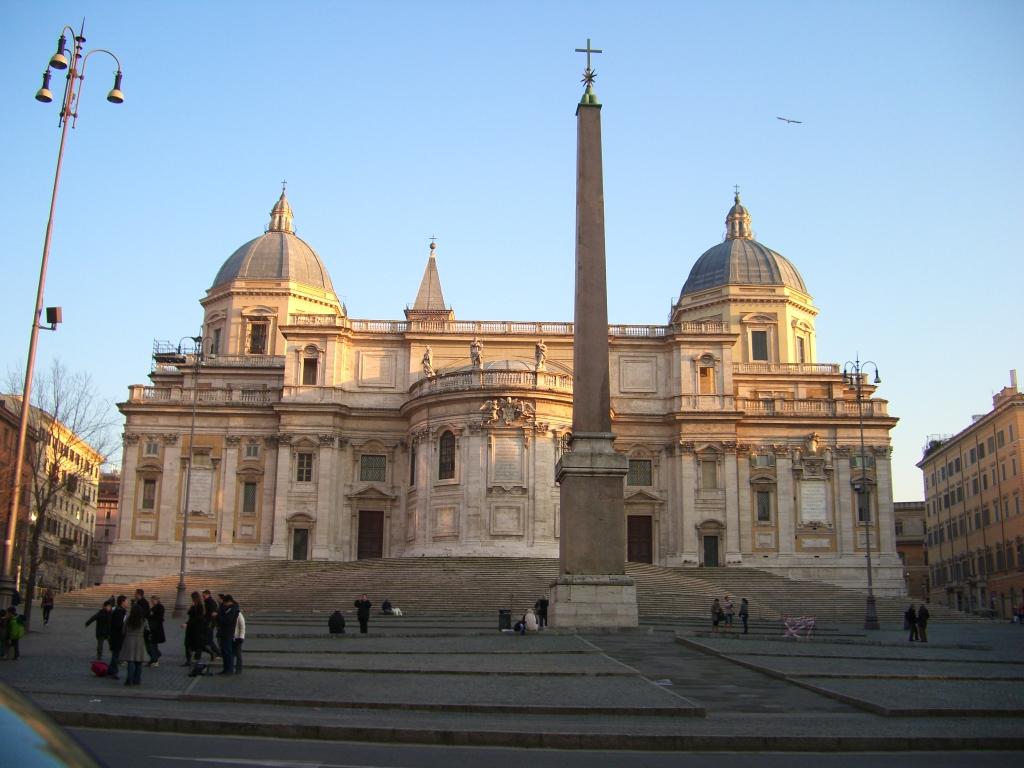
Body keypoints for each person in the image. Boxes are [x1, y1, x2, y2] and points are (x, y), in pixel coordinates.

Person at [121, 600, 146, 686]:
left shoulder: (129, 619)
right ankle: (137, 680)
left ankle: (129, 680)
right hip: (140, 641)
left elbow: (123, 631)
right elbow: (147, 630)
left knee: (130, 661)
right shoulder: (143, 620)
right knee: (138, 662)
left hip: (129, 641)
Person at [216, 594, 240, 675]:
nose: (224, 604)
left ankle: (229, 669)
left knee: (227, 651)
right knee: (224, 651)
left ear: (229, 602)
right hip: (224, 632)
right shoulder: (226, 608)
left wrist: (218, 616)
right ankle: (225, 669)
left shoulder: (233, 609)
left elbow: (227, 620)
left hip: (228, 632)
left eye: (225, 603)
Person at [184, 591, 208, 666]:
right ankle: (188, 660)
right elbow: (189, 614)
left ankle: (197, 659)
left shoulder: (200, 606)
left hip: (197, 628)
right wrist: (191, 607)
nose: (191, 599)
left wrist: (187, 623)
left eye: (192, 598)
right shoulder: (194, 605)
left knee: (197, 644)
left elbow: (198, 617)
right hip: (190, 628)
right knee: (187, 644)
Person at [107, 595, 128, 678]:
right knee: (116, 655)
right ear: (122, 602)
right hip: (116, 637)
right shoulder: (118, 612)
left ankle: (110, 670)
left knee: (116, 654)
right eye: (126, 601)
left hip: (118, 636)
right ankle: (114, 671)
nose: (127, 603)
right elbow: (118, 625)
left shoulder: (121, 611)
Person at [146, 595, 165, 666]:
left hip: (156, 628)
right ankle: (155, 657)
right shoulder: (153, 608)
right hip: (152, 628)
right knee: (153, 644)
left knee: (152, 644)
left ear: (157, 600)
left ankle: (155, 660)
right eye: (151, 601)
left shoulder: (160, 607)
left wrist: (151, 614)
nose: (152, 602)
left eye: (153, 600)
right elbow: (149, 615)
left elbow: (158, 617)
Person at [202, 590, 220, 657]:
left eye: (204, 596)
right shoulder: (208, 601)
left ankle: (217, 653)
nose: (203, 597)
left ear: (208, 594)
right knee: (208, 640)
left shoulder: (210, 602)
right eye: (203, 596)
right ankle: (216, 653)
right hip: (209, 623)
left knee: (209, 640)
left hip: (210, 623)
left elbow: (211, 614)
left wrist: (208, 622)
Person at [233, 605, 246, 674]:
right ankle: (230, 668)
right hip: (231, 636)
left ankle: (238, 669)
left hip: (238, 637)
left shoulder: (239, 615)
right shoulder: (231, 614)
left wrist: (241, 636)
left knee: (238, 654)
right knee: (232, 653)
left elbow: (242, 627)